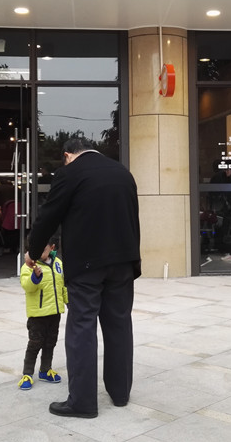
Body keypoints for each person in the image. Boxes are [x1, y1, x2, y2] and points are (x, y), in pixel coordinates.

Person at [26, 137, 141, 419]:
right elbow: (133, 218)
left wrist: (33, 251)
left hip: (87, 265)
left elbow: (48, 216)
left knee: (82, 327)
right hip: (123, 262)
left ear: (67, 155)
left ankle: (83, 402)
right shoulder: (122, 172)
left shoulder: (69, 173)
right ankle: (120, 393)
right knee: (119, 325)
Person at [18, 235, 68, 390]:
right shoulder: (29, 266)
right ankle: (27, 373)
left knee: (50, 342)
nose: (38, 252)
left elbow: (63, 285)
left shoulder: (58, 263)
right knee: (35, 343)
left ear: (52, 247)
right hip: (38, 315)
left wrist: (68, 301)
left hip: (55, 312)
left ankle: (45, 370)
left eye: (43, 248)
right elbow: (27, 286)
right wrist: (35, 276)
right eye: (35, 248)